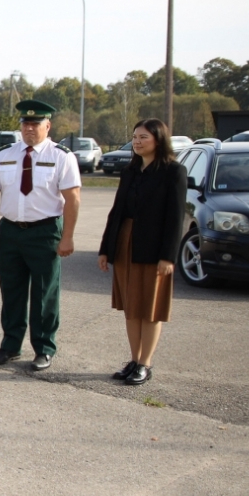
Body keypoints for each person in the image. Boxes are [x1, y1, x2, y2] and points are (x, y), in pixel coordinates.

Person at [0, 98, 82, 371]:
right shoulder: (5, 155)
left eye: (35, 124)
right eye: (25, 123)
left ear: (48, 126)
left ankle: (44, 348)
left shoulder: (61, 156)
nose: (29, 128)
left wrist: (67, 237)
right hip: (11, 231)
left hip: (45, 231)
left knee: (44, 294)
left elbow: (73, 199)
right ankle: (10, 346)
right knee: (11, 291)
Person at [98, 118, 187, 386]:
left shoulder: (174, 172)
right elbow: (117, 213)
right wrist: (106, 250)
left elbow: (175, 218)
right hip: (126, 244)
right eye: (135, 137)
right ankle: (134, 359)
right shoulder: (130, 172)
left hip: (153, 247)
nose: (137, 142)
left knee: (149, 308)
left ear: (158, 140)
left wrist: (168, 256)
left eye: (143, 137)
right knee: (131, 307)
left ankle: (145, 363)